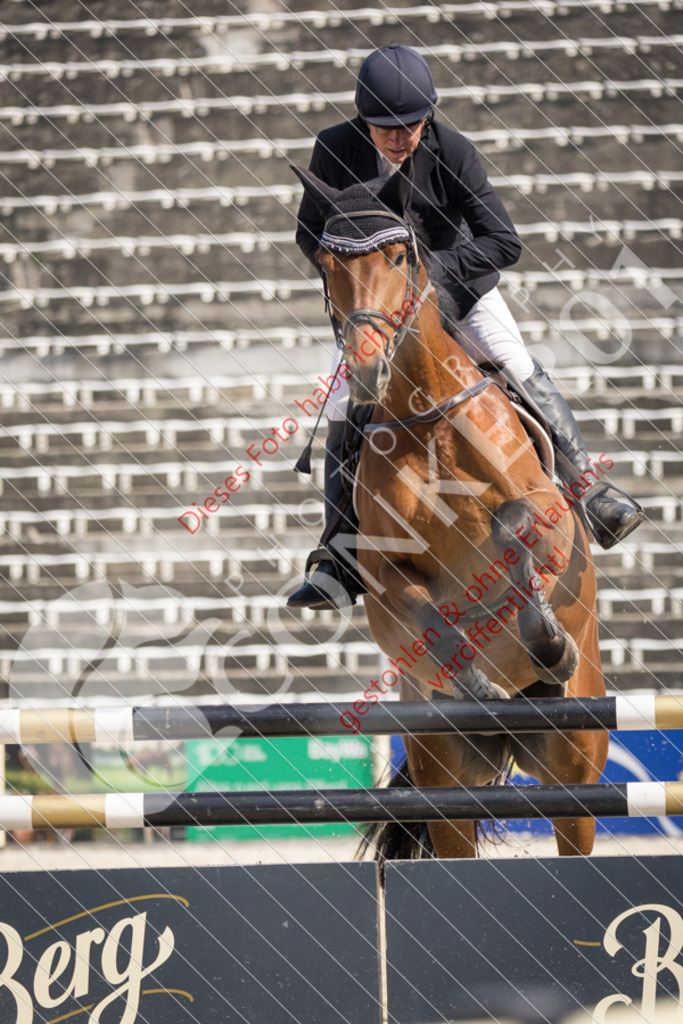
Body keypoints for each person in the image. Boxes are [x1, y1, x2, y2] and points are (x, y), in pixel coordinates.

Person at [287, 44, 642, 610]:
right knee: (340, 404)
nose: (401, 138)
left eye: (412, 125)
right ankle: (338, 554)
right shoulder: (334, 148)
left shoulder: (452, 150)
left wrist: (430, 281)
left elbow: (504, 242)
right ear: (364, 122)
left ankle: (588, 490)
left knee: (515, 362)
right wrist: (360, 280)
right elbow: (309, 234)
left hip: (457, 294)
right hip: (376, 306)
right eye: (387, 129)